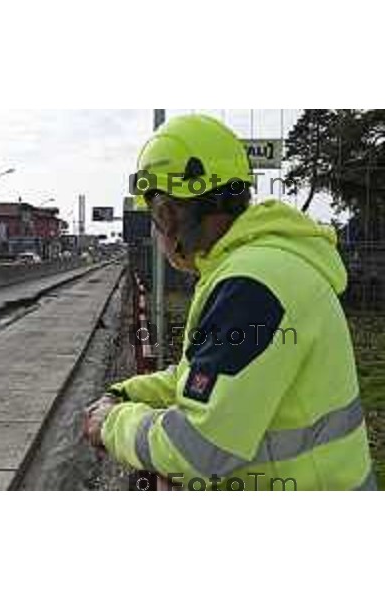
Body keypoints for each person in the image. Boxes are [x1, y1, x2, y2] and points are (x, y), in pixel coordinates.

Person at [85, 114, 376, 491]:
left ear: (167, 215)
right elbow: (202, 374)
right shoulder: (264, 264)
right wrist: (132, 391)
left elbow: (196, 451)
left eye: (155, 219)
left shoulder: (251, 285)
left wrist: (112, 423)